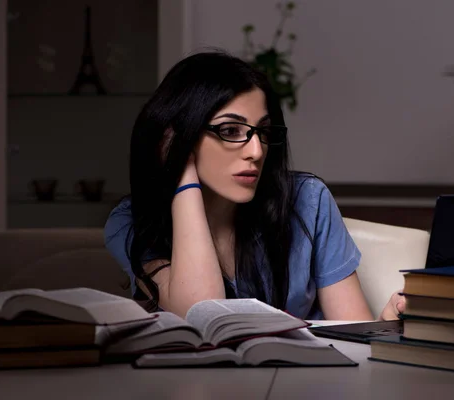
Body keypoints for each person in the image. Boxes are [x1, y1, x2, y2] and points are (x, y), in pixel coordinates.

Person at [104, 50, 405, 321]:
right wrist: (183, 176)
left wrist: (389, 321)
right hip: (202, 383)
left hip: (307, 380)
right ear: (181, 138)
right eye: (230, 130)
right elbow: (202, 312)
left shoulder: (308, 201)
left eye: (262, 131)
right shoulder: (132, 219)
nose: (256, 151)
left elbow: (354, 333)